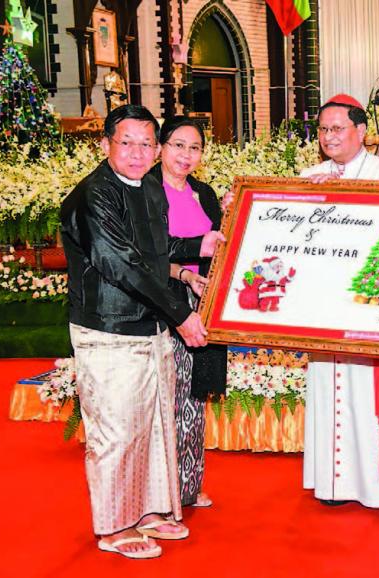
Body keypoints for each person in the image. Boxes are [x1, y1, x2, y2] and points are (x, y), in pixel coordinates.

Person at [60, 105, 223, 559]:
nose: (137, 153)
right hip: (109, 328)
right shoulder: (94, 195)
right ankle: (115, 526)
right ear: (106, 144)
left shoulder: (147, 187)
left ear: (155, 149)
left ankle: (149, 509)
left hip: (151, 326)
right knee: (116, 430)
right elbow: (122, 263)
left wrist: (196, 250)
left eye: (146, 143)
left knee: (152, 425)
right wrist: (181, 314)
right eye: (126, 142)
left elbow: (155, 249)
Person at [301, 94, 379, 517]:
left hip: (368, 299)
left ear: (361, 131)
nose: (329, 137)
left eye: (337, 128)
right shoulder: (309, 175)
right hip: (323, 300)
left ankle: (378, 487)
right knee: (329, 385)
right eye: (323, 129)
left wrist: (338, 197)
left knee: (366, 393)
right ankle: (333, 481)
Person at [149, 116, 228, 509]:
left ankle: (188, 485)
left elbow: (221, 241)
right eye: (178, 145)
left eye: (194, 148)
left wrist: (233, 212)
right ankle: (160, 491)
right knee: (166, 396)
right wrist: (185, 269)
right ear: (161, 147)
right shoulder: (146, 190)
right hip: (164, 303)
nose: (186, 154)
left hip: (202, 300)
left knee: (193, 394)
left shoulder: (203, 192)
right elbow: (148, 252)